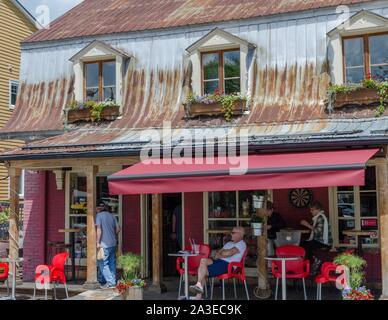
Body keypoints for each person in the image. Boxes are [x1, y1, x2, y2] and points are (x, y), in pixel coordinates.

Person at [189, 226, 247, 300]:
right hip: (219, 261)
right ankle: (199, 285)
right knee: (203, 261)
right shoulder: (229, 243)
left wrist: (222, 254)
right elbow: (217, 253)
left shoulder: (242, 244)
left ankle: (198, 294)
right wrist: (223, 254)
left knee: (204, 271)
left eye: (233, 233)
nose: (231, 234)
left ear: (240, 234)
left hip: (228, 265)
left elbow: (229, 253)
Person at [96, 202, 121, 289]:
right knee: (112, 263)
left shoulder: (99, 216)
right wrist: (112, 235)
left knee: (102, 263)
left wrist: (97, 242)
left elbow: (99, 229)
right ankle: (112, 281)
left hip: (104, 244)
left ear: (99, 209)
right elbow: (118, 229)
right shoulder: (112, 216)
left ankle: (110, 282)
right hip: (113, 243)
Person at [300, 201, 332, 267]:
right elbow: (313, 227)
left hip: (323, 242)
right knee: (304, 243)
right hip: (320, 240)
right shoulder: (317, 217)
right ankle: (312, 261)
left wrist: (307, 225)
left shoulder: (320, 218)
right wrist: (306, 224)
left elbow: (318, 231)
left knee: (305, 245)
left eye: (312, 210)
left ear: (318, 210)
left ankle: (312, 263)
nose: (310, 211)